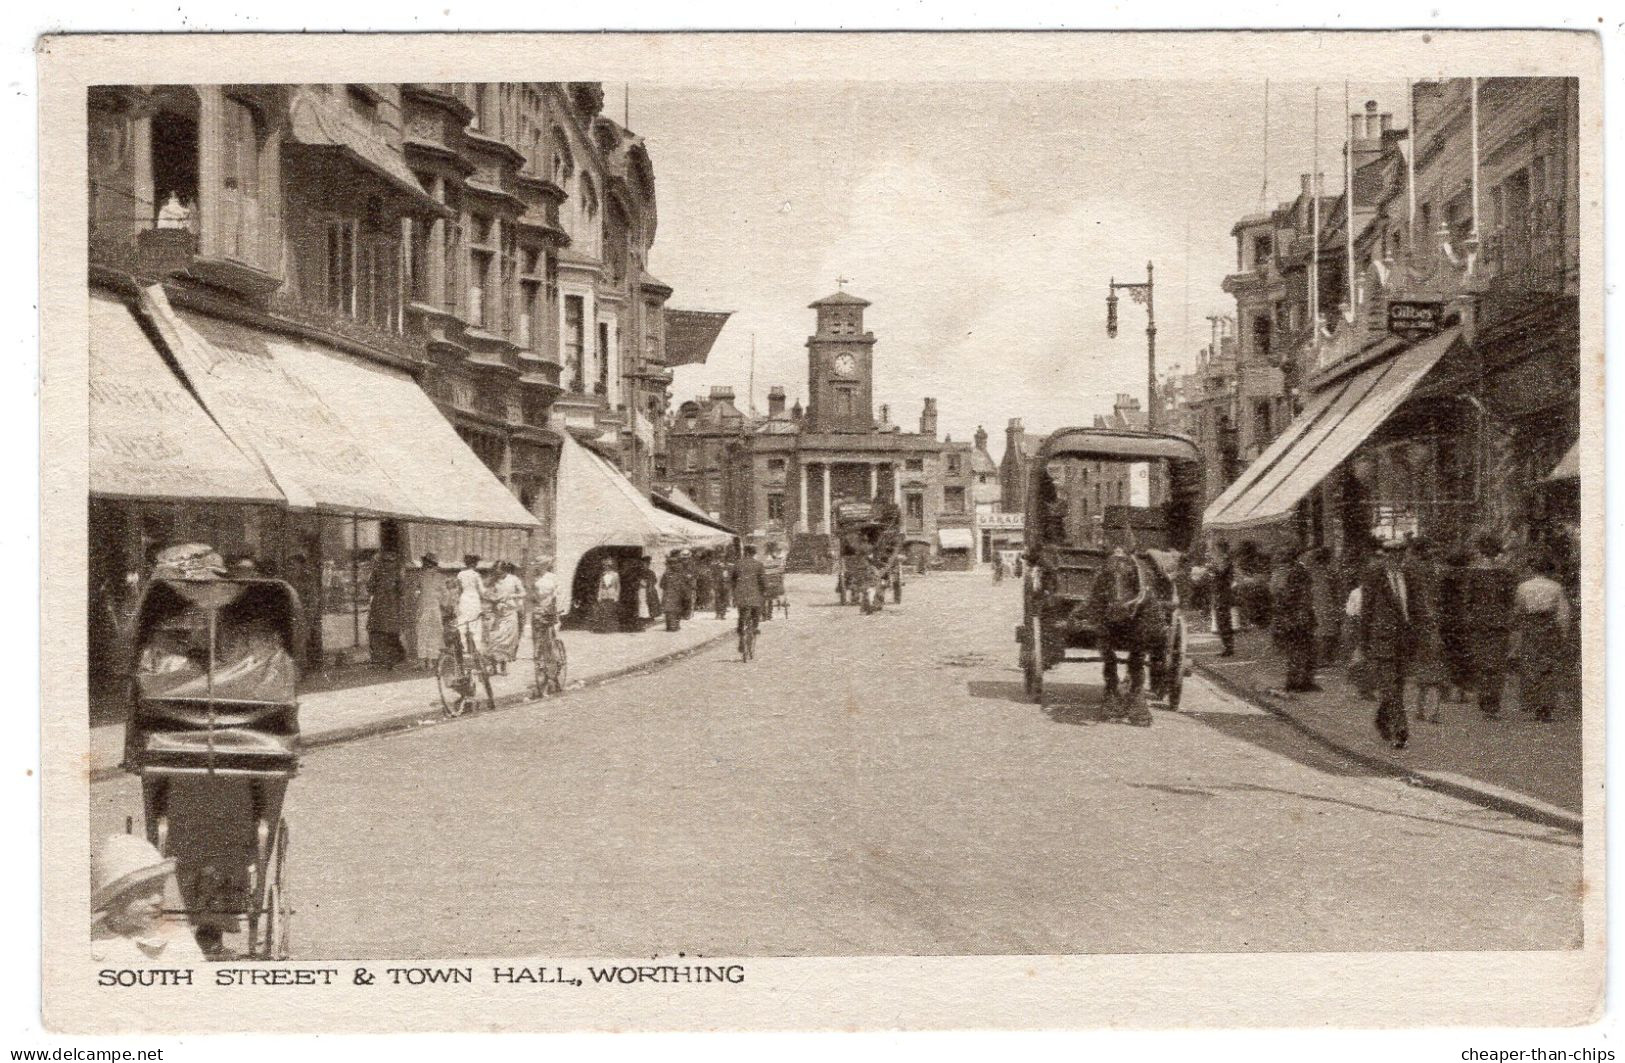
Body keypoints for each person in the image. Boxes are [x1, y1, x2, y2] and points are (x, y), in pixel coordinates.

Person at [91, 834, 205, 964]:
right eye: (144, 891)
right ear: (112, 900)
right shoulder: (94, 947)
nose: (157, 899)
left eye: (160, 888)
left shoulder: (178, 939)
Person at [1360, 538, 1416, 749]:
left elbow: (1412, 607)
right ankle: (1400, 730)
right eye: (1392, 554)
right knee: (1390, 687)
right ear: (1385, 555)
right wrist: (1364, 642)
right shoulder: (1375, 575)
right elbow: (1367, 609)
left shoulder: (1407, 576)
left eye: (1400, 554)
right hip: (1382, 639)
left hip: (1403, 640)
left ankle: (1382, 719)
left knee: (1397, 687)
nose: (1397, 558)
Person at [1459, 531, 1518, 719]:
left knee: (1483, 663)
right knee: (1497, 665)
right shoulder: (1506, 575)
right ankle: (1492, 704)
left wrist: (1470, 618)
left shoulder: (1473, 574)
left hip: (1479, 624)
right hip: (1499, 625)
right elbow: (1511, 602)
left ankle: (1486, 702)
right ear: (1496, 552)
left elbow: (1467, 601)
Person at [1512, 551, 1573, 722]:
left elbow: (1518, 610)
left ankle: (1534, 703)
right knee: (1548, 666)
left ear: (1533, 568)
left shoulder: (1523, 587)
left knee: (1531, 664)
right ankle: (1545, 707)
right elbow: (1563, 613)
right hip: (1549, 627)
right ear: (1549, 569)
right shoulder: (1556, 587)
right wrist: (1563, 632)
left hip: (1531, 628)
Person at [1405, 539, 1451, 724]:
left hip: (1420, 624)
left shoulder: (1410, 568)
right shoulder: (1429, 570)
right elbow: (1431, 597)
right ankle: (1432, 712)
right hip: (1430, 623)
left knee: (1425, 670)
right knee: (1435, 670)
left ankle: (1421, 710)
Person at [1272, 546, 1318, 693]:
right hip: (1299, 616)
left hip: (1289, 616)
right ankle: (1301, 683)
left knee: (1295, 650)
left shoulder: (1284, 572)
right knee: (1305, 649)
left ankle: (1293, 682)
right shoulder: (1299, 572)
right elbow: (1304, 595)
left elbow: (1278, 594)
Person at [365, 549, 406, 669]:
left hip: (379, 604)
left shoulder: (377, 570)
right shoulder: (398, 571)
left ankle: (378, 659)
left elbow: (369, 587)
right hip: (393, 605)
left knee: (376, 631)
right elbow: (402, 589)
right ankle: (391, 659)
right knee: (392, 632)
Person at [405, 553, 446, 670]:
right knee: (433, 633)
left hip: (424, 607)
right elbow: (445, 595)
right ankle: (430, 660)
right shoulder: (439, 577)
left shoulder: (420, 576)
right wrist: (443, 604)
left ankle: (424, 660)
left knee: (423, 632)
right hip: (434, 608)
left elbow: (413, 593)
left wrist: (415, 602)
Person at [731, 544, 771, 656]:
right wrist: (765, 591)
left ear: (745, 552)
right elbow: (763, 582)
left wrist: (734, 594)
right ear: (754, 553)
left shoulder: (737, 564)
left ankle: (741, 636)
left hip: (741, 596)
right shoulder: (758, 565)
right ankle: (754, 628)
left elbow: (732, 581)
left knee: (742, 616)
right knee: (756, 615)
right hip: (754, 596)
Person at [486, 561, 526, 675]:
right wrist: (494, 599)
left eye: (500, 572)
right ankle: (493, 666)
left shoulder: (513, 579)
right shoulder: (493, 580)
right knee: (495, 638)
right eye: (497, 573)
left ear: (505, 570)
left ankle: (503, 666)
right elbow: (487, 593)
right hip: (497, 613)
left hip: (510, 612)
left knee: (507, 640)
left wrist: (511, 596)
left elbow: (523, 593)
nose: (498, 575)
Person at [1307, 547, 1343, 669]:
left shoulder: (1311, 572)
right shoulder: (1329, 573)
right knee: (1326, 631)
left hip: (1316, 604)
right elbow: (1336, 590)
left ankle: (1320, 658)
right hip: (1326, 605)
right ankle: (1323, 658)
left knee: (1320, 631)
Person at [454, 555, 488, 655]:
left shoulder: (460, 574)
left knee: (463, 624)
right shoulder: (476, 575)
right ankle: (477, 650)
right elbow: (482, 591)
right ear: (474, 564)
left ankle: (465, 648)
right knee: (476, 626)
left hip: (464, 600)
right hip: (474, 600)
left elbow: (459, 591)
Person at [1210, 539, 1236, 657]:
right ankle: (1227, 647)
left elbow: (1222, 573)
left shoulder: (1225, 560)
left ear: (1221, 548)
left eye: (1216, 548)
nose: (1215, 551)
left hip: (1223, 594)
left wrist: (1214, 567)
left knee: (1224, 621)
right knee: (1222, 621)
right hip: (1220, 593)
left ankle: (1228, 648)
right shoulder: (1222, 560)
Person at [659, 552, 685, 632]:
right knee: (676, 610)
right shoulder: (680, 574)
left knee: (669, 611)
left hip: (668, 595)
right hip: (677, 595)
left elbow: (661, 585)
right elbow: (683, 585)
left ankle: (670, 626)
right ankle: (675, 626)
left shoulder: (666, 574)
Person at [711, 552, 731, 620]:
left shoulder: (729, 566)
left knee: (725, 600)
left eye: (724, 558)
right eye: (721, 558)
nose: (722, 559)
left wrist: (729, 581)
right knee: (718, 599)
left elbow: (731, 575)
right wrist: (713, 584)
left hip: (726, 585)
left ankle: (723, 614)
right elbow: (712, 575)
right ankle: (718, 614)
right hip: (718, 585)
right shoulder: (715, 566)